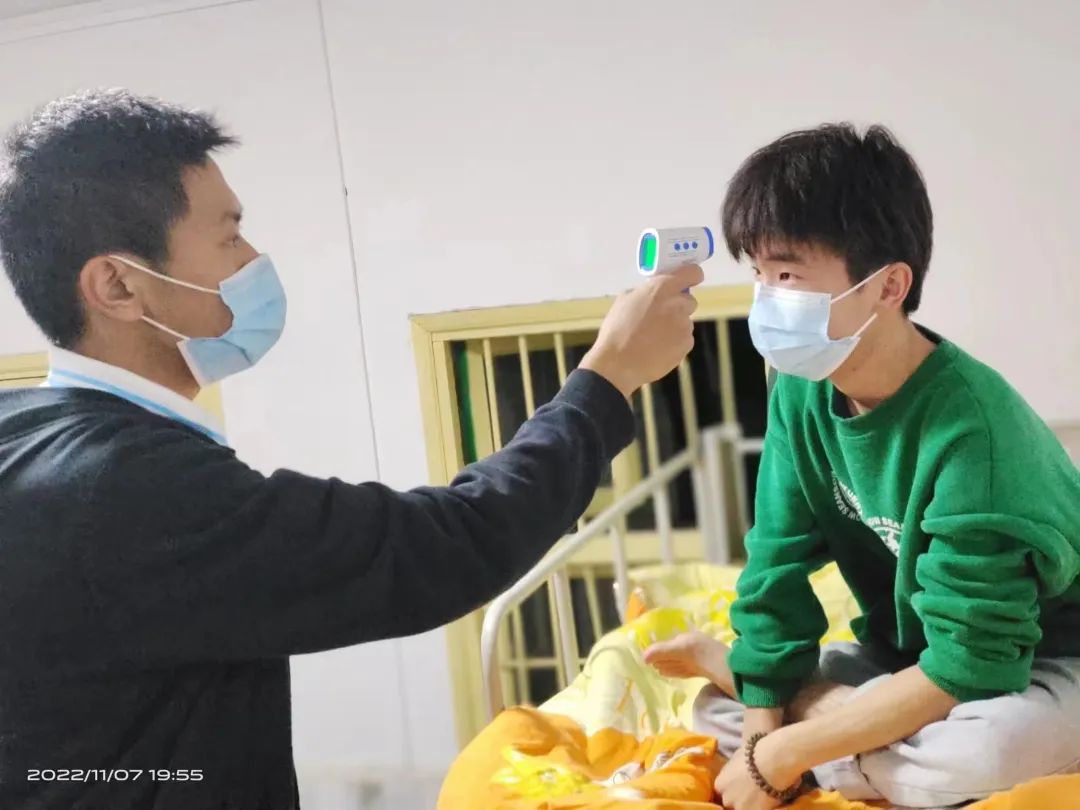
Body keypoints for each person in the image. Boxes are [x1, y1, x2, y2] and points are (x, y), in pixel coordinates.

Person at [0, 89, 703, 810]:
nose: (254, 261)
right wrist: (609, 376)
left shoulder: (20, 433)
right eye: (229, 238)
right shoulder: (128, 486)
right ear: (118, 284)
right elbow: (444, 545)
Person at [643, 124, 1080, 810]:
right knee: (713, 712)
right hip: (911, 655)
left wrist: (783, 753)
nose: (766, 297)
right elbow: (775, 565)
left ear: (889, 286)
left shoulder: (974, 433)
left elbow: (976, 662)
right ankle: (838, 723)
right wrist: (760, 733)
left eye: (788, 275)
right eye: (758, 274)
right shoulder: (800, 393)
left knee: (984, 753)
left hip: (1042, 660)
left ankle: (809, 710)